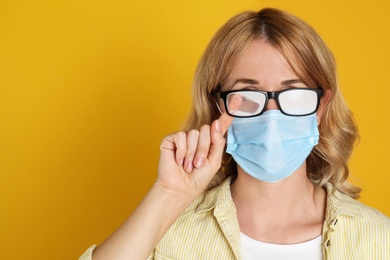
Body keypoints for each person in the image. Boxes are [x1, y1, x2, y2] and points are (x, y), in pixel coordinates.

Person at [80, 7, 390, 260]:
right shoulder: (168, 233)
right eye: (248, 94)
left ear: (320, 107)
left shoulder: (379, 239)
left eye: (293, 93)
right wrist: (168, 196)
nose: (272, 116)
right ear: (218, 106)